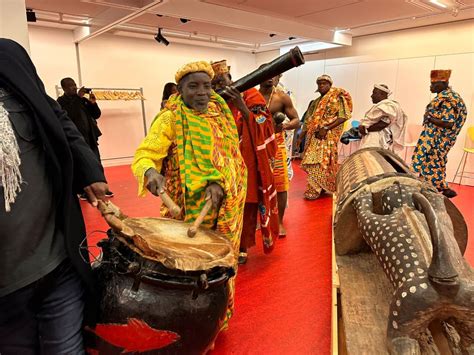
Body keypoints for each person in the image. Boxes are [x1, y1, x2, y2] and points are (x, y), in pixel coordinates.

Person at [0, 39, 109, 354]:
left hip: (56, 262)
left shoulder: (9, 57)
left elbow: (56, 119)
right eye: (68, 84)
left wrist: (90, 171)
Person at [131, 61, 247, 328]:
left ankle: (218, 314)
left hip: (226, 205)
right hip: (186, 210)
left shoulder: (221, 116)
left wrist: (222, 184)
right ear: (179, 90)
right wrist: (150, 172)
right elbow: (146, 153)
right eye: (193, 86)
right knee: (188, 265)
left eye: (206, 86)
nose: (202, 92)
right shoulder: (171, 117)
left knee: (221, 262)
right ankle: (190, 319)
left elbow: (232, 158)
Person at [210, 60, 279, 264]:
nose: (219, 87)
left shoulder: (250, 95)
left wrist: (241, 106)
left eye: (222, 81)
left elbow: (264, 125)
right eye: (214, 84)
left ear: (231, 79)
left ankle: (241, 247)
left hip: (245, 161)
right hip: (219, 161)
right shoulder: (211, 101)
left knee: (244, 206)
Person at [412, 69, 467, 198]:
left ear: (443, 83)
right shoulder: (449, 97)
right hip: (439, 138)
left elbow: (448, 123)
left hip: (438, 139)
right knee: (437, 161)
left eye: (433, 84)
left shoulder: (447, 100)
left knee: (431, 162)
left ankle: (429, 191)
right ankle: (442, 187)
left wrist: (430, 118)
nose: (430, 87)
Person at [58, 77, 113, 198]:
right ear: (64, 88)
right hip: (75, 140)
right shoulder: (61, 102)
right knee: (80, 164)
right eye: (70, 85)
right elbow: (70, 114)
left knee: (96, 162)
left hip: (91, 137)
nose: (74, 87)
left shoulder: (82, 100)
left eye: (75, 84)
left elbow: (96, 115)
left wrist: (93, 104)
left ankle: (103, 187)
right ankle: (83, 190)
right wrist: (78, 97)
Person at [300, 74, 353, 200]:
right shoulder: (315, 102)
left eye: (325, 83)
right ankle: (320, 186)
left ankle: (315, 189)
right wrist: (300, 137)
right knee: (314, 160)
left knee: (320, 162)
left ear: (330, 85)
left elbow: (344, 116)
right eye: (319, 84)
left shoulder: (337, 97)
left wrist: (326, 128)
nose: (322, 86)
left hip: (327, 136)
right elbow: (308, 120)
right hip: (314, 135)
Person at [259, 75, 300, 237]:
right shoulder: (251, 97)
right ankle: (260, 218)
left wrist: (285, 126)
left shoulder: (282, 97)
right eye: (267, 74)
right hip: (257, 143)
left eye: (274, 75)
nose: (270, 78)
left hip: (277, 144)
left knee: (281, 185)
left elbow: (296, 120)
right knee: (257, 183)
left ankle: (280, 221)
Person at [358, 84, 407, 152]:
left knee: (370, 158)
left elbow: (384, 123)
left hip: (377, 139)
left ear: (382, 94)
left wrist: (366, 129)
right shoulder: (383, 105)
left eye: (374, 93)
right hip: (374, 136)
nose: (371, 96)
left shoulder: (387, 106)